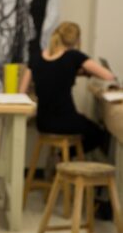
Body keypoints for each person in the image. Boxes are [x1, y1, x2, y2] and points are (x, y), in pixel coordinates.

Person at [19, 21, 114, 152]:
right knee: (99, 134)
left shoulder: (36, 57)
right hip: (67, 121)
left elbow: (21, 92)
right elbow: (108, 76)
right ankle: (65, 157)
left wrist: (74, 72)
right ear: (76, 40)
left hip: (42, 123)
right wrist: (84, 72)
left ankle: (61, 158)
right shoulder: (73, 56)